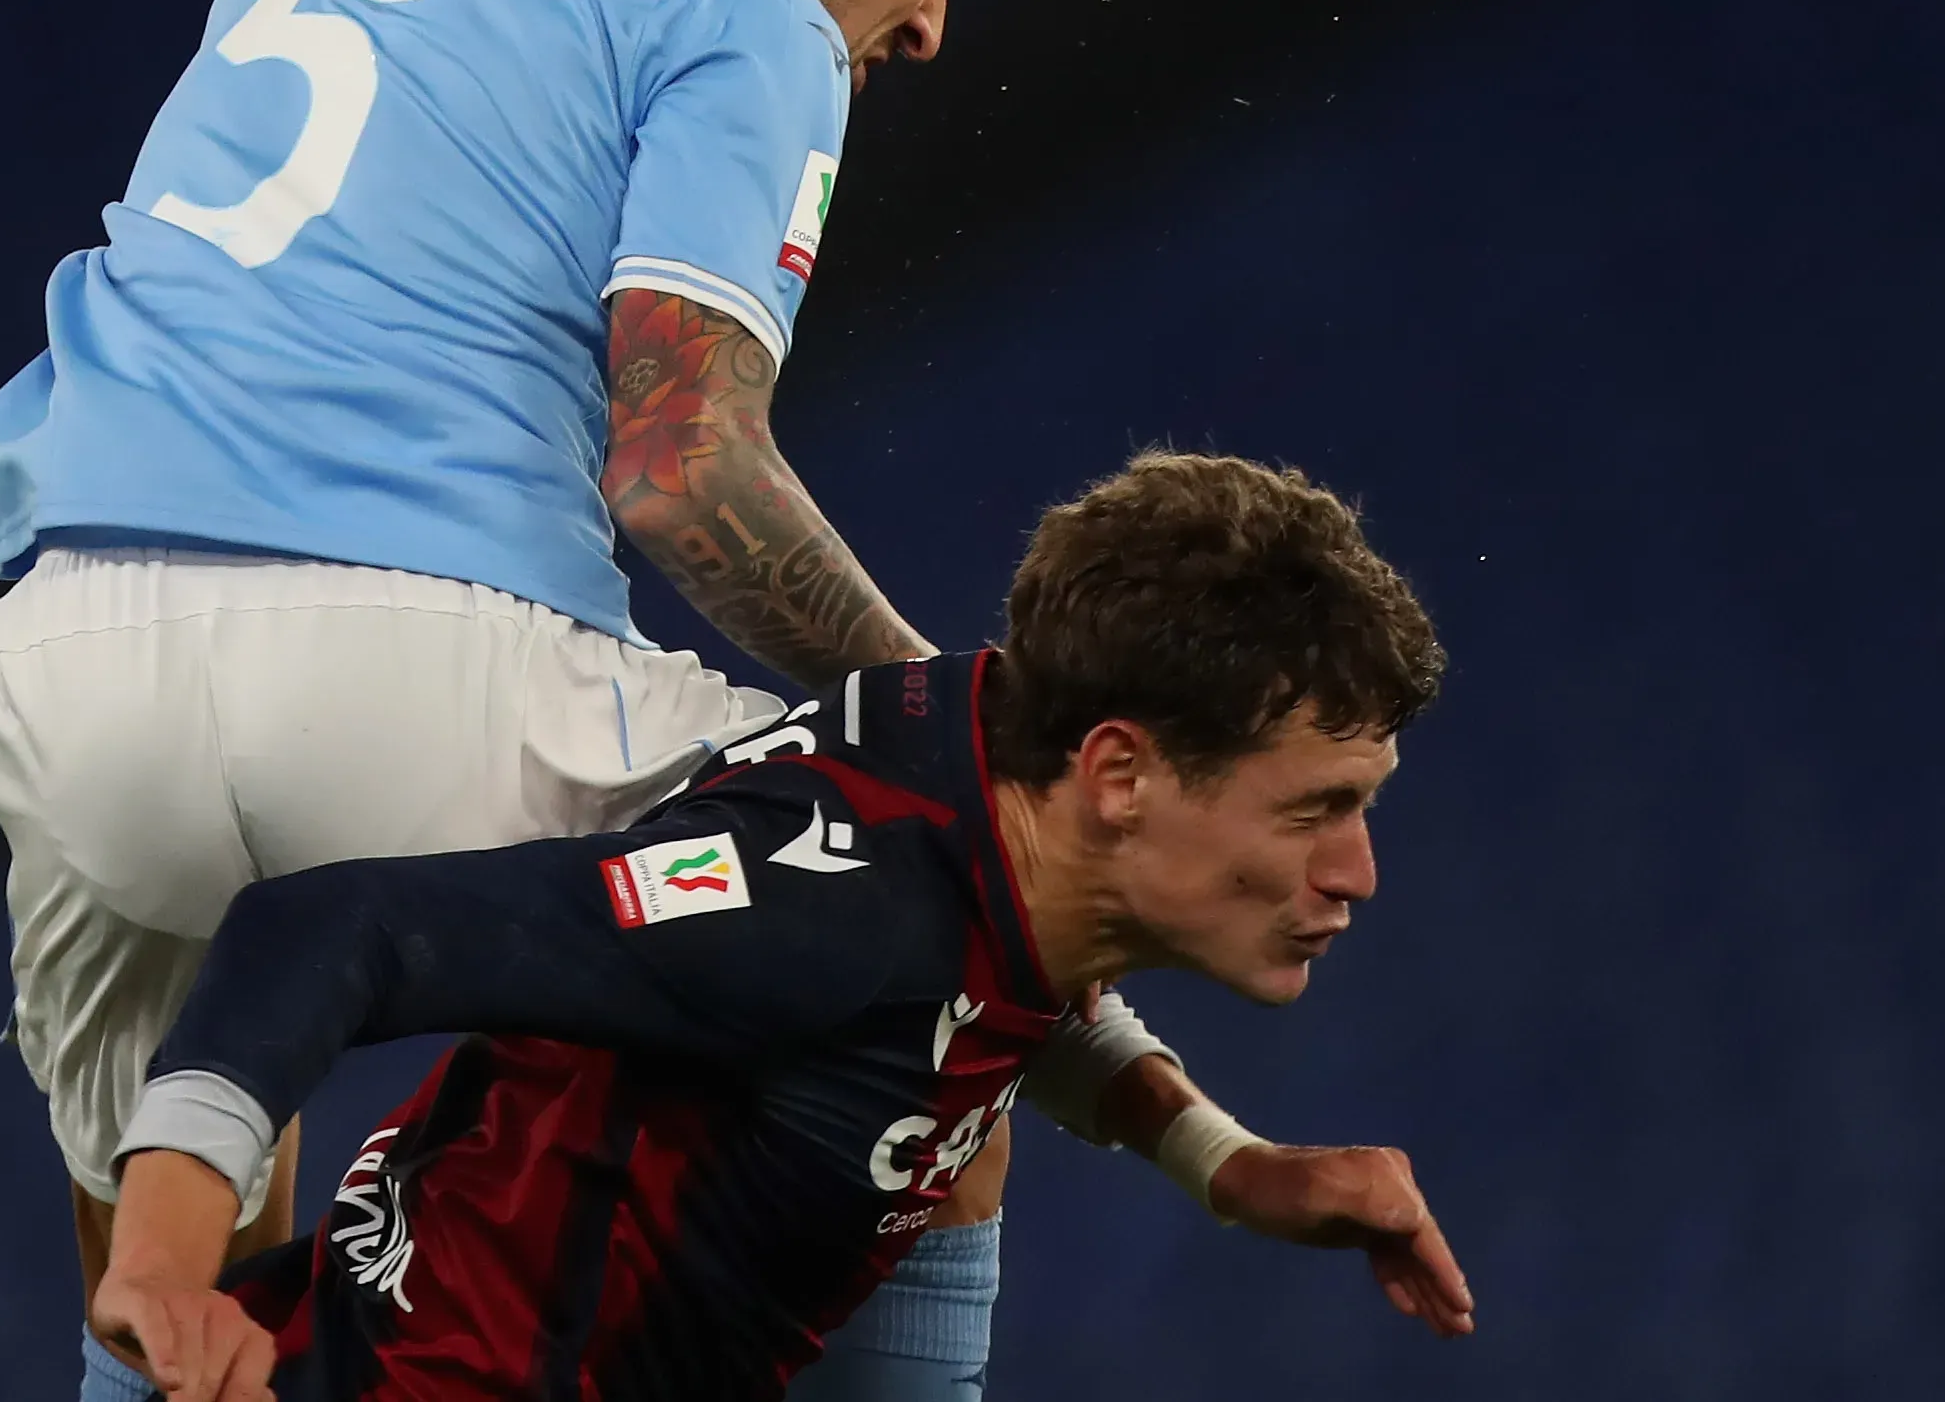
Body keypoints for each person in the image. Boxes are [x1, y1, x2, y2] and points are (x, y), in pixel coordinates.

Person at [0, 0, 1290, 1402]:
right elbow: (678, 464)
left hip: (63, 662)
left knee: (175, 1233)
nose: (931, 18)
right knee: (937, 923)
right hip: (410, 657)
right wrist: (964, 746)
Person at [90, 452, 1471, 1402]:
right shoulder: (816, 919)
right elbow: (341, 929)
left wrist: (1221, 1163)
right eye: (1315, 809)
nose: (1354, 873)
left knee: (959, 1135)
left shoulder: (984, 749)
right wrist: (161, 1269)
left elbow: (1011, 972)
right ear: (1118, 775)